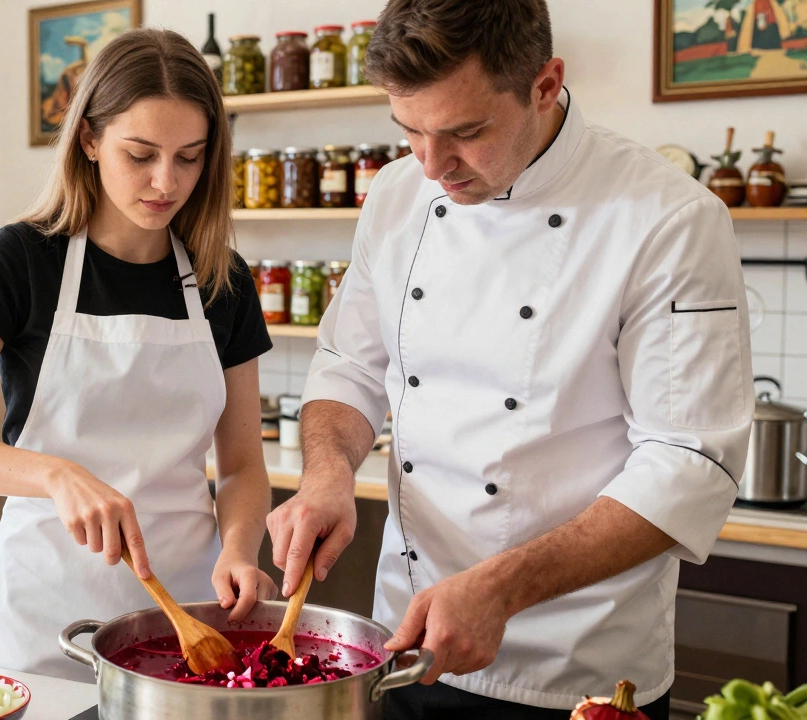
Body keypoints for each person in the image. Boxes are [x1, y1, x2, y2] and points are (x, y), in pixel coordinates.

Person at [266, 1, 753, 718]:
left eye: (466, 133)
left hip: (576, 666)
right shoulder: (398, 195)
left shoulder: (669, 219)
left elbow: (688, 462)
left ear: (546, 83)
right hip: (402, 646)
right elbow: (351, 366)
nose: (432, 167)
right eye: (409, 132)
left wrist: (501, 588)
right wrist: (328, 472)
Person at [0, 28, 275, 682]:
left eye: (190, 157)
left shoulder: (224, 280)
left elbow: (240, 466)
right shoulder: (22, 262)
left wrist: (239, 548)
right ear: (90, 140)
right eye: (141, 154)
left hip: (183, 610)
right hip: (46, 612)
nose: (166, 181)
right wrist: (54, 476)